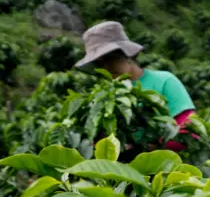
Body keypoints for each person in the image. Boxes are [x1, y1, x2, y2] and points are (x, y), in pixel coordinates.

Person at [74, 21, 197, 151]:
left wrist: (150, 147)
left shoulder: (165, 81)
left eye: (110, 58)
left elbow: (190, 130)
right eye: (99, 63)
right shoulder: (106, 95)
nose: (106, 67)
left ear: (128, 54)